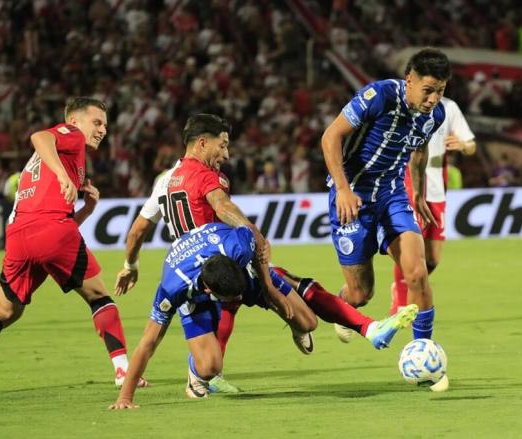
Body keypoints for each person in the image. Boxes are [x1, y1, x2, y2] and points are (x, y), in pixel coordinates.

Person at [109, 222, 418, 409]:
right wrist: (126, 396)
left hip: (248, 274)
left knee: (308, 321)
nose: (239, 302)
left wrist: (267, 286)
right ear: (208, 289)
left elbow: (250, 235)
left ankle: (293, 321)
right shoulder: (173, 288)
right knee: (211, 366)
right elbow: (149, 342)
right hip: (199, 300)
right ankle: (195, 376)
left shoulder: (237, 248)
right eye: (232, 300)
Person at [113, 113, 274, 392]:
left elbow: (137, 231)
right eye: (221, 145)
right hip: (214, 261)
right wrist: (253, 233)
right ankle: (201, 371)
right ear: (201, 143)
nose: (225, 153)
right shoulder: (207, 177)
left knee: (230, 306)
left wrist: (130, 264)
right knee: (257, 294)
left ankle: (205, 371)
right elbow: (224, 209)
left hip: (185, 269)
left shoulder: (165, 180)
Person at [0, 97, 146, 387]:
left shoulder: (62, 157)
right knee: (99, 298)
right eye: (97, 122)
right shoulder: (71, 135)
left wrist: (86, 210)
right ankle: (123, 371)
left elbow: (51, 228)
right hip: (49, 230)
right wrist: (64, 177)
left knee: (4, 311)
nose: (102, 130)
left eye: (105, 125)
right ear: (74, 121)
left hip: (19, 237)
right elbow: (39, 136)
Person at [320, 47, 449, 367]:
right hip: (354, 198)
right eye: (428, 90)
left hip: (393, 197)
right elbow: (330, 137)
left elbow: (418, 150)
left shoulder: (436, 115)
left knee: (418, 273)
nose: (433, 99)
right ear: (409, 81)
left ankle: (424, 354)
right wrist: (342, 190)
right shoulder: (379, 96)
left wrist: (418, 194)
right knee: (362, 293)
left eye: (441, 91)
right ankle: (342, 305)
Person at [390, 96, 476, 315]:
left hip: (437, 187)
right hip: (407, 183)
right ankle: (401, 304)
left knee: (432, 259)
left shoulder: (449, 107)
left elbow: (471, 145)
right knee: (411, 247)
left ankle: (404, 287)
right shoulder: (402, 104)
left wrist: (463, 145)